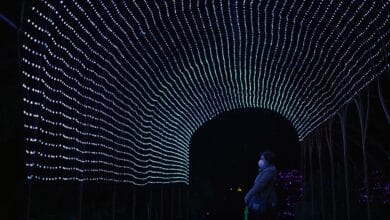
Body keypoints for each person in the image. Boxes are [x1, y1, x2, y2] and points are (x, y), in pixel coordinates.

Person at [244, 151, 278, 220]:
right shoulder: (264, 170)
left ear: (268, 160)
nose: (260, 161)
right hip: (261, 201)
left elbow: (260, 185)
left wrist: (248, 196)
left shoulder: (270, 171)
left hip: (266, 202)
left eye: (262, 159)